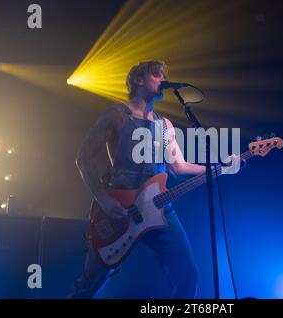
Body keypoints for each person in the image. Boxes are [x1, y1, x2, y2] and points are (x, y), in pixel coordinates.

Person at [68, 61, 206, 298]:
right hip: (119, 208)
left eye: (164, 74)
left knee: (187, 275)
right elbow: (83, 158)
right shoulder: (116, 115)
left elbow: (178, 167)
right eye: (157, 74)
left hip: (161, 209)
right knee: (90, 284)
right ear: (139, 80)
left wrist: (218, 167)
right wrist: (102, 198)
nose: (163, 78)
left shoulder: (165, 125)